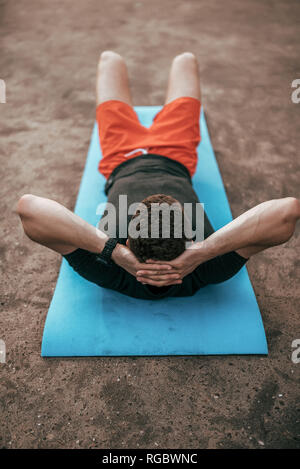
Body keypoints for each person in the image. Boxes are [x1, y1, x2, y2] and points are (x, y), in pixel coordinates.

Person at [16, 51, 300, 300]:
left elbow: (30, 209)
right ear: (190, 239)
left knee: (109, 59)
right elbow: (286, 211)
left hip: (121, 156)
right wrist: (203, 252)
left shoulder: (110, 270)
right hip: (175, 154)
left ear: (127, 241)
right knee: (185, 60)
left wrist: (112, 251)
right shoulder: (204, 268)